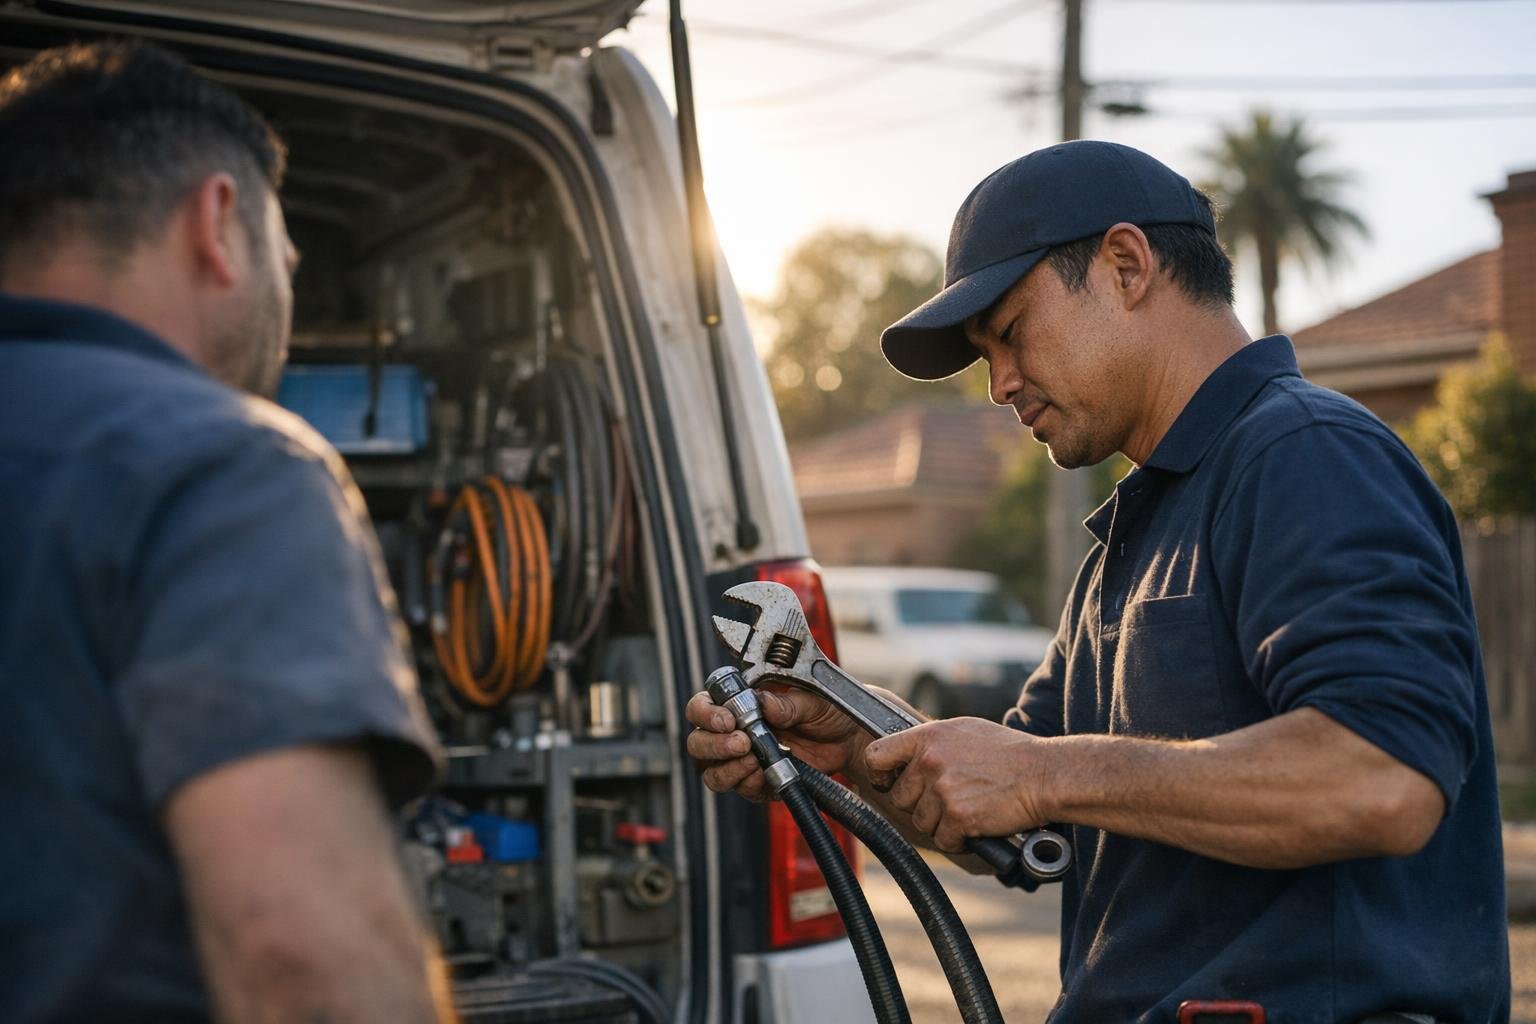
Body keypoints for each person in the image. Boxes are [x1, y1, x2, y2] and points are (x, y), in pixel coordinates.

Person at [687, 141, 1509, 1022]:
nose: (999, 384)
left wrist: (1047, 773)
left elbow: (1379, 777)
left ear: (1125, 265)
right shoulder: (1132, 538)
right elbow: (1009, 814)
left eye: (1009, 334)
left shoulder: (1303, 455)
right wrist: (848, 744)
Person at [0, 42, 452, 1022]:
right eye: (285, 256)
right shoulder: (224, 467)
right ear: (217, 225)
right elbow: (303, 960)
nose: (285, 295)